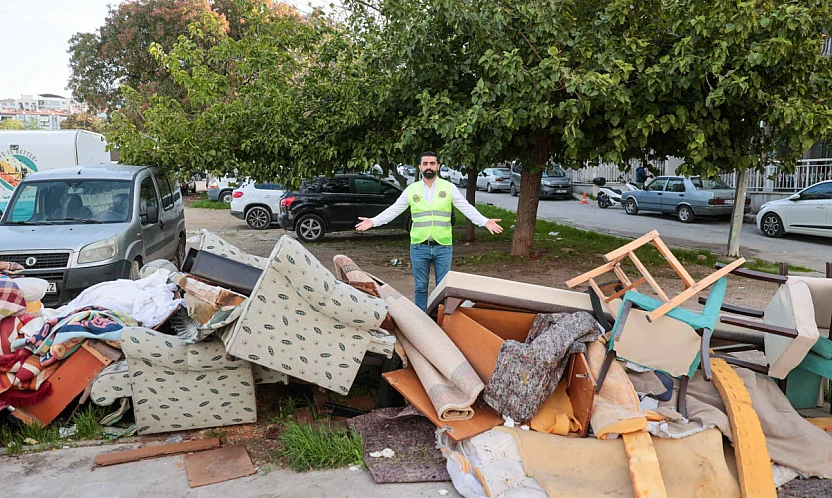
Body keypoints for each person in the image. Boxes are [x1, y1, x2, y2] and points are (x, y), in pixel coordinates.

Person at [355, 151, 503, 311]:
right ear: (420, 167)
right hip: (419, 247)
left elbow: (466, 208)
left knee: (444, 288)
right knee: (420, 287)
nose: (428, 167)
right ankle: (422, 318)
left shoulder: (449, 188)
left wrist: (485, 221)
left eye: (432, 163)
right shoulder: (412, 190)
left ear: (438, 166)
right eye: (425, 164)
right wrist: (374, 221)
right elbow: (394, 210)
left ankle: (441, 319)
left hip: (443, 247)